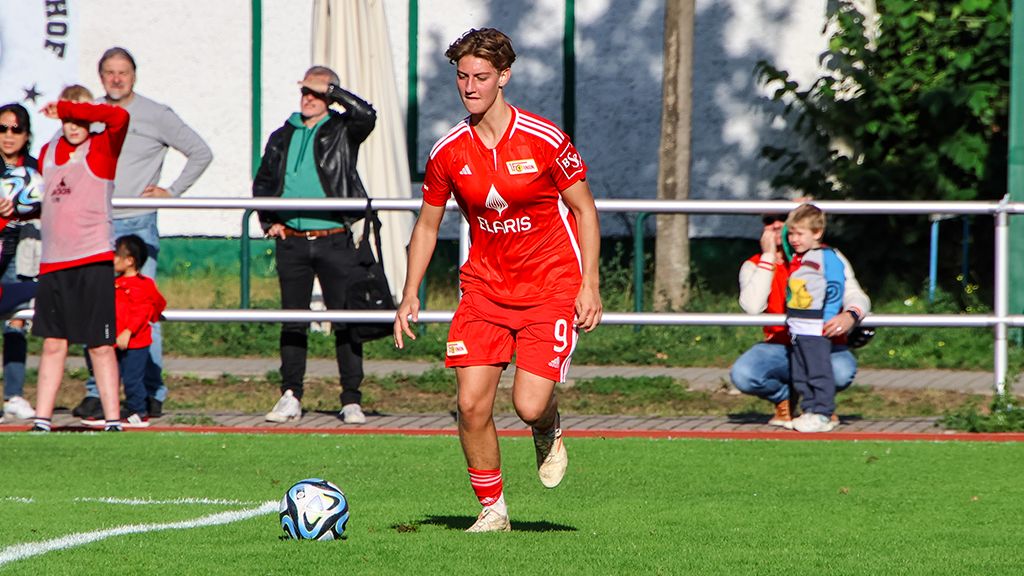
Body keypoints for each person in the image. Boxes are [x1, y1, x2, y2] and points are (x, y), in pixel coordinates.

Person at [393, 28, 602, 533]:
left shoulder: (545, 140)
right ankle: (493, 511)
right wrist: (408, 293)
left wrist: (589, 283)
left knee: (528, 404)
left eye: (481, 77)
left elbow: (585, 210)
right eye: (463, 77)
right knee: (469, 404)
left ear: (503, 77)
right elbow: (427, 224)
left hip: (551, 286)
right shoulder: (448, 151)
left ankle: (548, 425)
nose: (470, 86)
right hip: (484, 290)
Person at [73, 46, 213, 421]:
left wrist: (173, 191)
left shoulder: (156, 114)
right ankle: (97, 392)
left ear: (134, 75)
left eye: (123, 72)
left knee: (141, 312)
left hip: (137, 224)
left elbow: (200, 152)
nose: (116, 79)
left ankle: (150, 392)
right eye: (109, 72)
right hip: (96, 224)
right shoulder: (92, 115)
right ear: (100, 76)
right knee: (98, 313)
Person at [253, 65, 376, 424]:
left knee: (345, 319)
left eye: (316, 93)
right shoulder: (282, 135)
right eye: (304, 91)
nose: (308, 98)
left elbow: (366, 115)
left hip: (334, 238)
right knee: (293, 319)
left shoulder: (341, 130)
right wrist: (268, 220)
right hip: (291, 239)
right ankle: (290, 395)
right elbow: (263, 181)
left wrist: (334, 91)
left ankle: (351, 398)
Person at [32, 85, 129, 432]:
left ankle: (112, 419)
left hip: (92, 259)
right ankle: (42, 418)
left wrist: (74, 108)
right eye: (68, 119)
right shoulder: (48, 151)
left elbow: (119, 117)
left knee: (101, 344)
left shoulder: (103, 146)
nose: (73, 125)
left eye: (80, 117)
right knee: (53, 342)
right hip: (54, 263)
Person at [730, 204, 870, 430]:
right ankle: (784, 398)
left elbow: (855, 294)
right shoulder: (754, 264)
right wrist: (768, 258)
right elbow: (753, 307)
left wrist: (850, 315)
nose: (776, 225)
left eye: (782, 218)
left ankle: (821, 408)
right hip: (780, 345)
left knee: (840, 371)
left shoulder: (826, 255)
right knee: (744, 374)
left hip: (821, 339)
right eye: (769, 220)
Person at [783, 204, 853, 432]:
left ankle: (823, 412)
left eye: (799, 233)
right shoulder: (798, 257)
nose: (794, 239)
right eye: (791, 233)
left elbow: (835, 286)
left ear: (817, 233)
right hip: (798, 327)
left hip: (816, 327)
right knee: (800, 373)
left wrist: (829, 317)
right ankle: (809, 409)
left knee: (818, 371)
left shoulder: (826, 257)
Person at [0, 103, 40, 422]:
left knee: (16, 320)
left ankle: (13, 395)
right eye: (2, 128)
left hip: (21, 251)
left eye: (16, 129)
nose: (8, 135)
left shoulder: (37, 170)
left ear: (27, 134)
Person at [104, 234, 166, 428]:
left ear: (129, 261)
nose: (112, 259)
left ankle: (138, 412)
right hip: (117, 341)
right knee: (116, 377)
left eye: (116, 255)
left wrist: (129, 331)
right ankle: (121, 409)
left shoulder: (142, 285)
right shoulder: (115, 283)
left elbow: (147, 309)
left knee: (132, 379)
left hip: (135, 343)